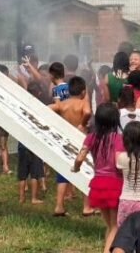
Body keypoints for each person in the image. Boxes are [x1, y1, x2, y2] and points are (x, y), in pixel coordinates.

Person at [74, 103, 125, 253]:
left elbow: (80, 157)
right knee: (116, 226)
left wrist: (75, 168)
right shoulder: (119, 139)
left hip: (97, 184)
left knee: (109, 225)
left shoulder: (91, 138)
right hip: (115, 183)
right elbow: (118, 161)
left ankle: (107, 247)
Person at [52, 76, 93, 216]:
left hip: (66, 139)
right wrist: (82, 123)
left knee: (63, 172)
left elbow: (51, 107)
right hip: (80, 140)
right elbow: (87, 112)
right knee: (87, 170)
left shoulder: (63, 104)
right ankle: (87, 207)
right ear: (83, 91)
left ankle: (59, 206)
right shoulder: (83, 103)